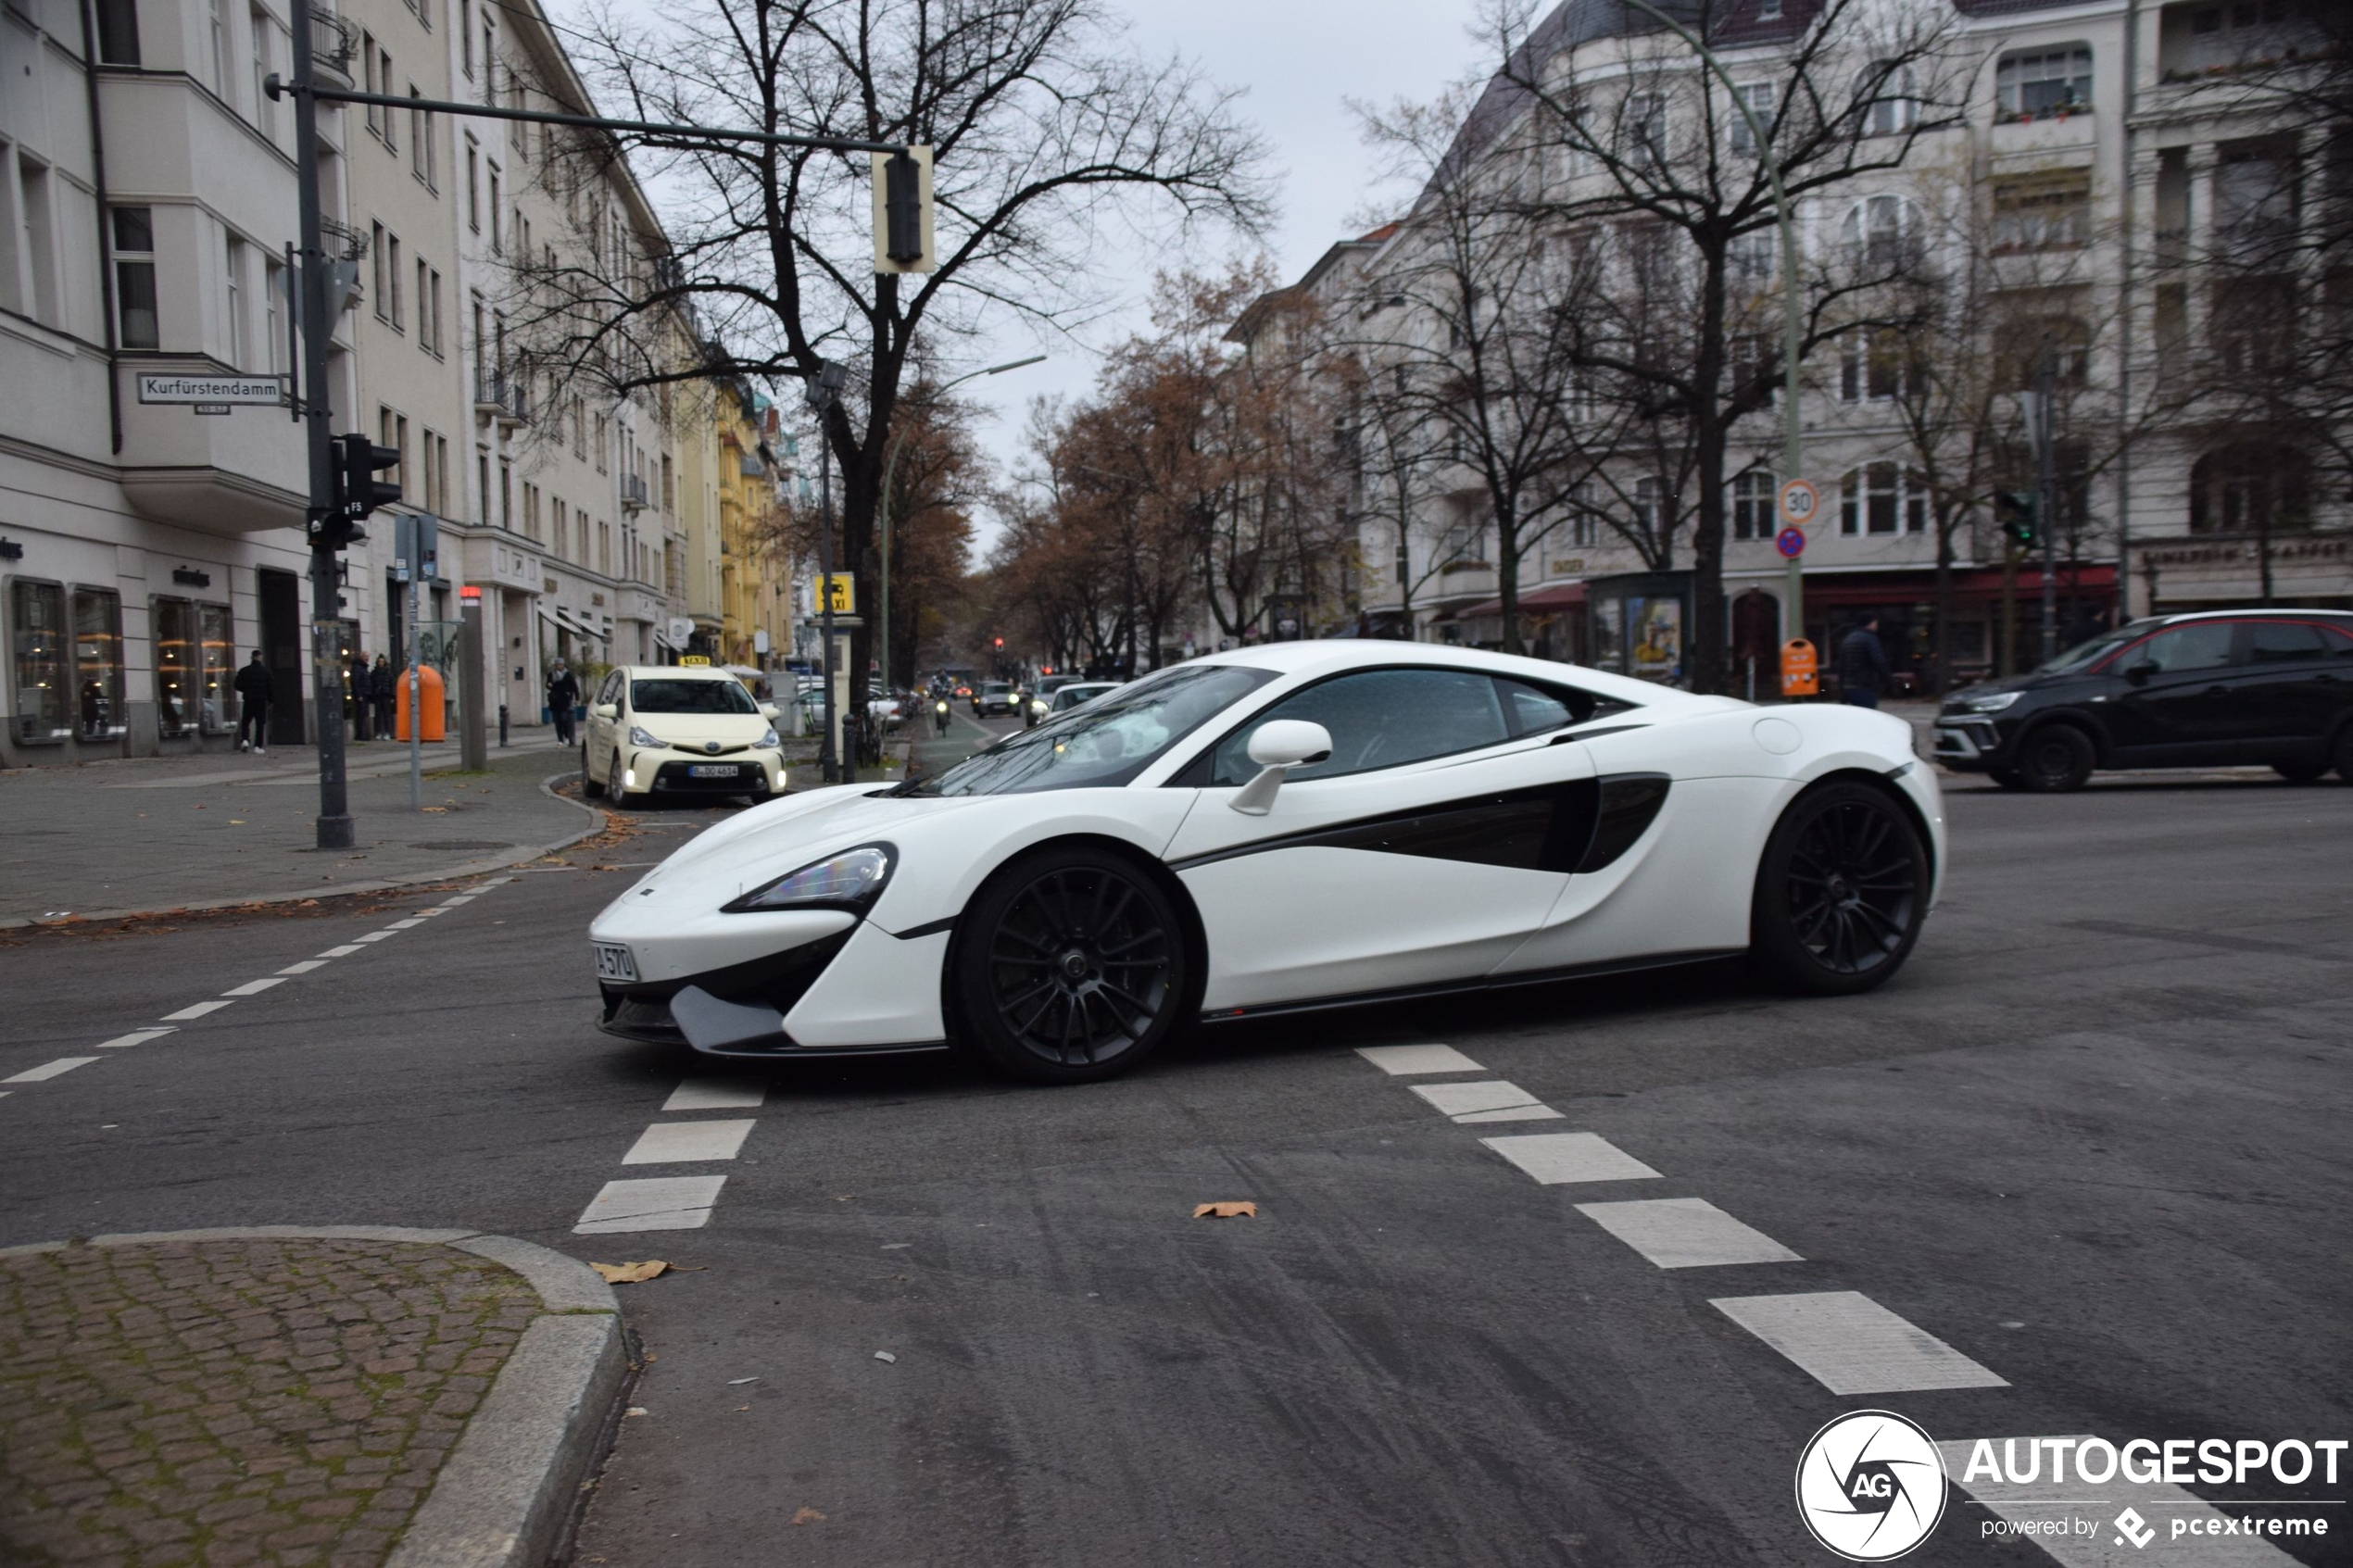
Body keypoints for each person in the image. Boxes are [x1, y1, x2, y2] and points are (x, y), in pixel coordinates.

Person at [1837, 616, 1890, 709]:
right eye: (1875, 623)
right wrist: (1889, 681)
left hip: (1848, 685)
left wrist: (1841, 686)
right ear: (1870, 624)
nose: (1877, 625)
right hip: (1865, 684)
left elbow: (1842, 665)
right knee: (1868, 714)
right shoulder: (1869, 638)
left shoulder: (1848, 638)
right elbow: (1879, 661)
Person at [233, 650, 273, 754]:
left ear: (251, 657)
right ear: (260, 657)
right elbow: (271, 688)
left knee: (246, 721)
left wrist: (247, 690)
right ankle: (258, 746)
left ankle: (245, 740)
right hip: (261, 699)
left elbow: (237, 685)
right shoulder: (266, 671)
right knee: (260, 723)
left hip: (248, 699)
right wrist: (271, 701)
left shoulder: (244, 671)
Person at [547, 659, 580, 746]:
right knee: (557, 721)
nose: (561, 666)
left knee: (564, 719)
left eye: (562, 664)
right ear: (556, 665)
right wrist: (549, 685)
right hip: (555, 701)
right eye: (559, 665)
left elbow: (574, 686)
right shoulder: (552, 674)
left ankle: (567, 736)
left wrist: (577, 698)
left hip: (565, 701)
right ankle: (560, 739)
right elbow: (548, 684)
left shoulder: (567, 674)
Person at [347, 650, 373, 742]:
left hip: (365, 693)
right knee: (361, 715)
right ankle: (360, 734)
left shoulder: (362, 667)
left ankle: (363, 733)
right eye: (366, 656)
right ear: (362, 657)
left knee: (364, 714)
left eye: (368, 656)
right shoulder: (358, 667)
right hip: (362, 694)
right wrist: (359, 694)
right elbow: (355, 682)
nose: (367, 658)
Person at [372, 654, 396, 738]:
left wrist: (392, 696)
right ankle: (378, 732)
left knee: (387, 715)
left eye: (382, 661)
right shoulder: (374, 673)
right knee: (378, 715)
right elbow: (372, 684)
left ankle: (388, 732)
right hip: (378, 695)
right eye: (379, 661)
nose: (380, 663)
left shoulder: (388, 673)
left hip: (386, 695)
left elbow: (392, 684)